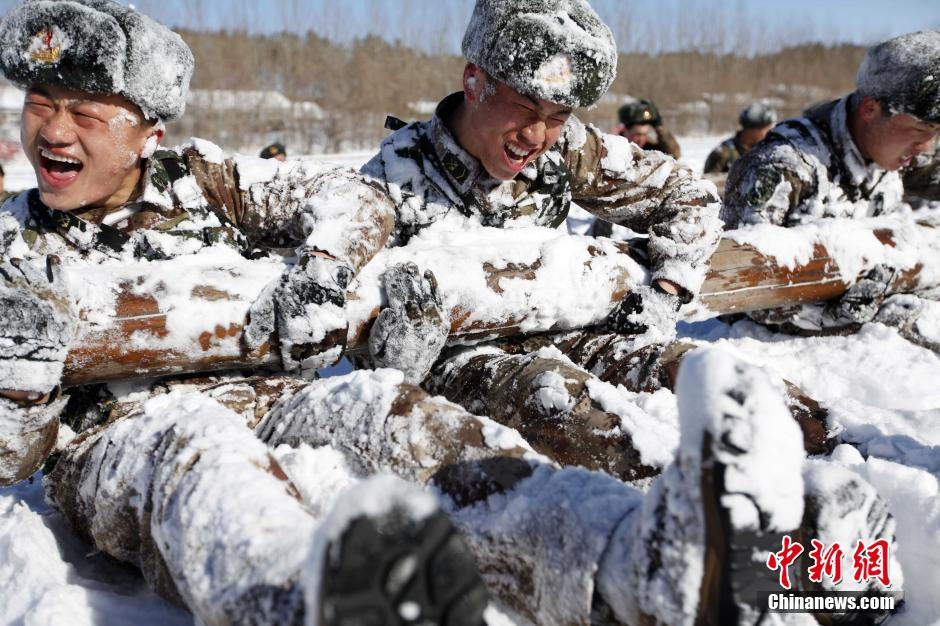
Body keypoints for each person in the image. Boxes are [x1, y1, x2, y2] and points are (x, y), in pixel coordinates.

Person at [0, 2, 901, 623]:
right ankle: (302, 600)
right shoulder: (12, 246)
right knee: (195, 447)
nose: (53, 131)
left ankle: (629, 558)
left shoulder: (204, 179)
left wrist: (317, 274)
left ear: (148, 129)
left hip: (276, 395)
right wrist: (24, 382)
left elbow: (346, 207)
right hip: (120, 437)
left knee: (394, 417)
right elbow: (12, 458)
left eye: (84, 109)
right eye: (42, 105)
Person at [361, 0, 833, 464]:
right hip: (469, 362)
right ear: (474, 81)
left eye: (559, 115)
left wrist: (665, 291)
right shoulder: (390, 179)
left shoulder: (565, 148)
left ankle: (841, 461)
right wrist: (399, 354)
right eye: (525, 107)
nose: (536, 136)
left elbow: (689, 196)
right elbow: (351, 325)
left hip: (570, 331)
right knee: (580, 417)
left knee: (710, 379)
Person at [721, 31, 940, 347]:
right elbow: (741, 283)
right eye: (920, 131)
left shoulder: (896, 148)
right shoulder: (783, 167)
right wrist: (846, 314)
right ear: (870, 109)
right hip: (774, 351)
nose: (926, 146)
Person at [703, 102, 778, 174]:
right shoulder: (723, 154)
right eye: (767, 129)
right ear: (752, 129)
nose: (770, 133)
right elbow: (708, 184)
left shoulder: (769, 150)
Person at [615, 97, 682, 158]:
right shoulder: (615, 147)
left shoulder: (649, 148)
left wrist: (659, 126)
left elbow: (674, 155)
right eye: (638, 134)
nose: (641, 139)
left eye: (645, 134)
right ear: (625, 130)